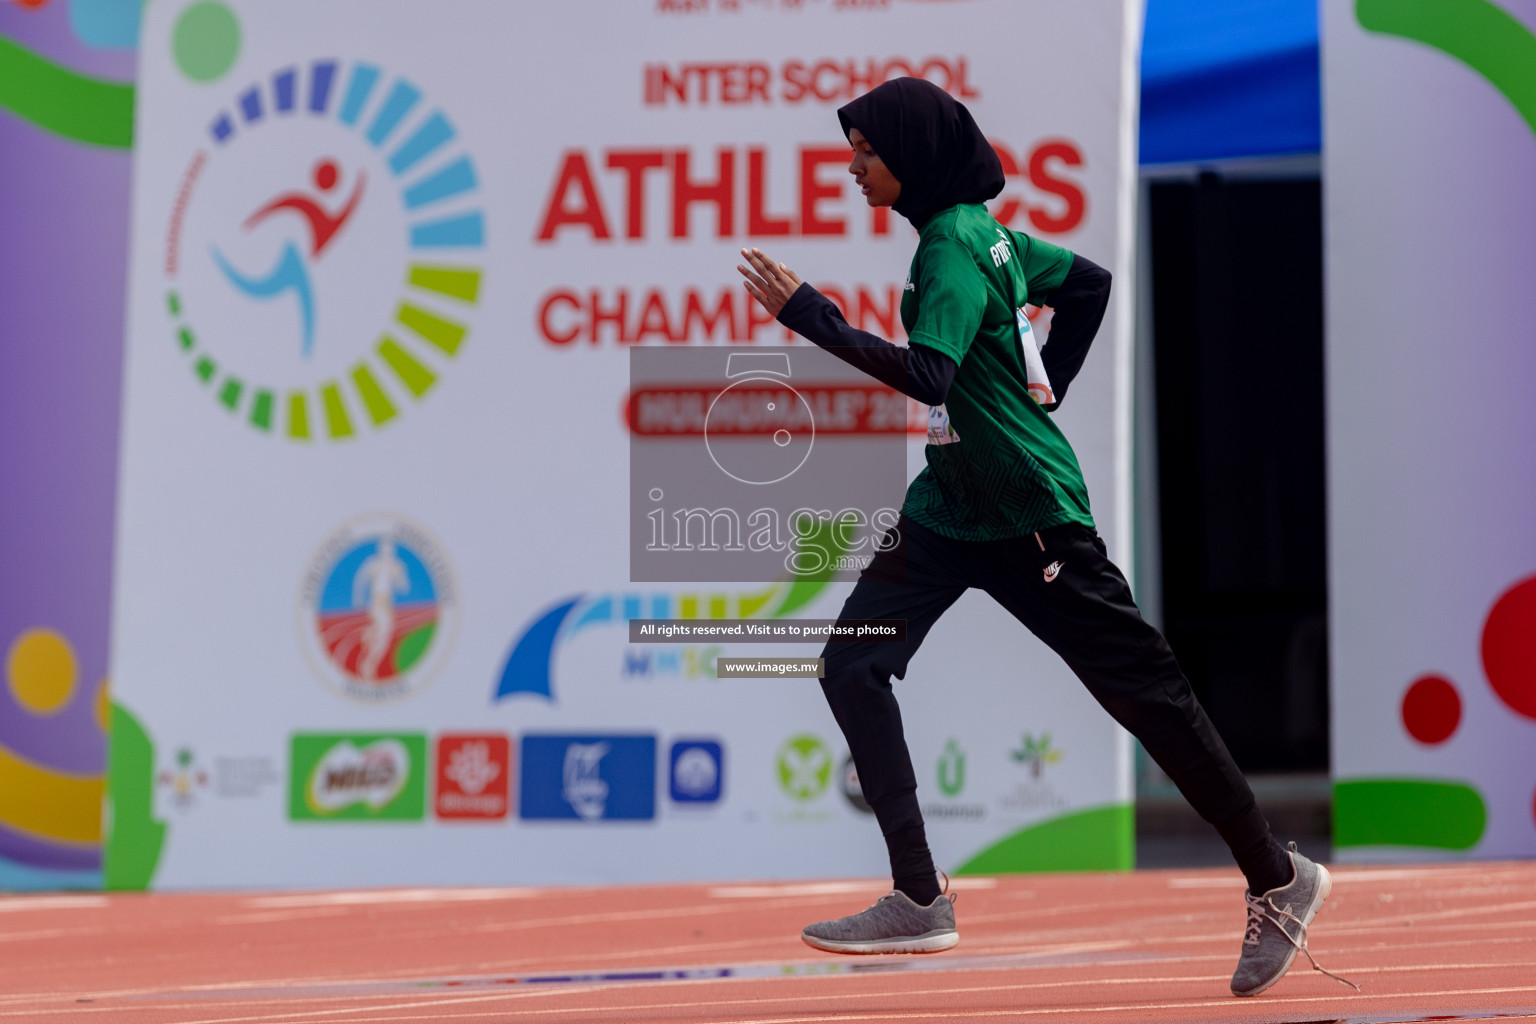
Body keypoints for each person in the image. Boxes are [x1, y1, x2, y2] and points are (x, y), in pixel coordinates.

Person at [735, 77, 1352, 998]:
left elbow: (930, 374)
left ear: (914, 154)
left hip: (1026, 511)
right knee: (851, 665)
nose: (852, 164)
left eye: (866, 149)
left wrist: (810, 317)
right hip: (950, 510)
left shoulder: (950, 245)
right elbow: (1090, 287)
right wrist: (1046, 383)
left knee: (1149, 699)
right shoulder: (985, 233)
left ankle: (1278, 877)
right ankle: (918, 897)